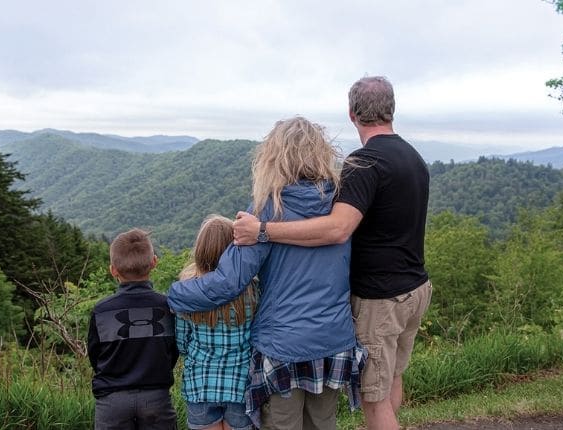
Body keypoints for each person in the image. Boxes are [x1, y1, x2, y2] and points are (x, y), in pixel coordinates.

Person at [233, 76, 432, 430]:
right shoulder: (413, 157)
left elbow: (337, 229)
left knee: (375, 400)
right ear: (392, 109)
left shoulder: (364, 163)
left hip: (382, 297)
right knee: (391, 382)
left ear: (352, 113)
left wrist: (263, 230)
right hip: (416, 288)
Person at [167, 116, 365, 430]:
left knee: (282, 425)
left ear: (273, 157)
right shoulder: (343, 206)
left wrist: (174, 294)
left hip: (283, 344)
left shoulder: (268, 208)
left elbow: (228, 282)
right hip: (333, 341)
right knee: (323, 424)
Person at [88, 228, 179, 430]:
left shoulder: (101, 311)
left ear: (113, 270)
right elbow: (173, 350)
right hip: (157, 397)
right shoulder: (168, 307)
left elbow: (95, 356)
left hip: (111, 401)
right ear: (154, 262)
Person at [175, 215, 257, 430]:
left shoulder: (186, 291)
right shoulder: (253, 289)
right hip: (241, 385)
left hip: (200, 384)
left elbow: (182, 344)